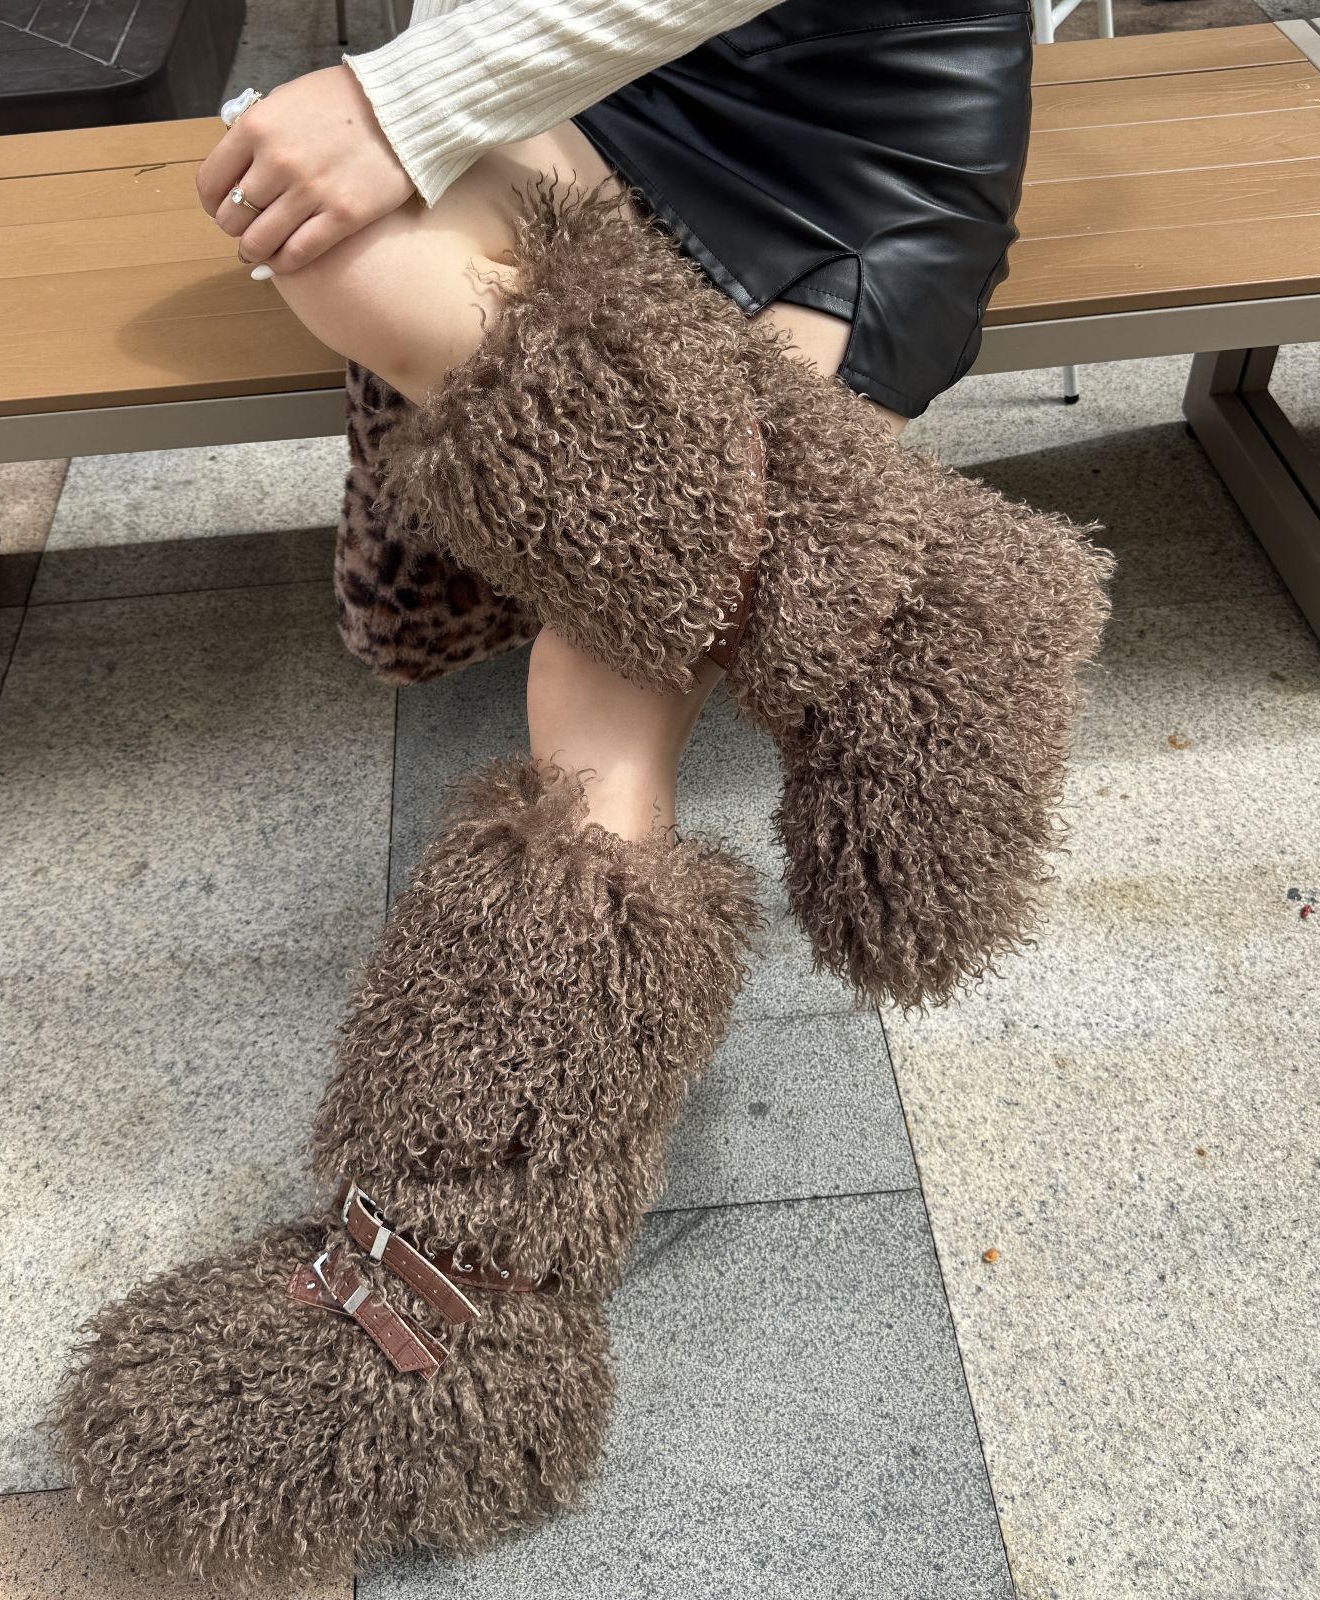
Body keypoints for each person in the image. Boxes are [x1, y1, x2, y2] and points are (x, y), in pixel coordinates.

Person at [55, 1, 1112, 1584]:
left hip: (854, 151)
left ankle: (480, 1277)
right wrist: (412, 98)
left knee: (603, 660)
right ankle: (897, 600)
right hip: (619, 101)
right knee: (320, 228)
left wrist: (404, 99)